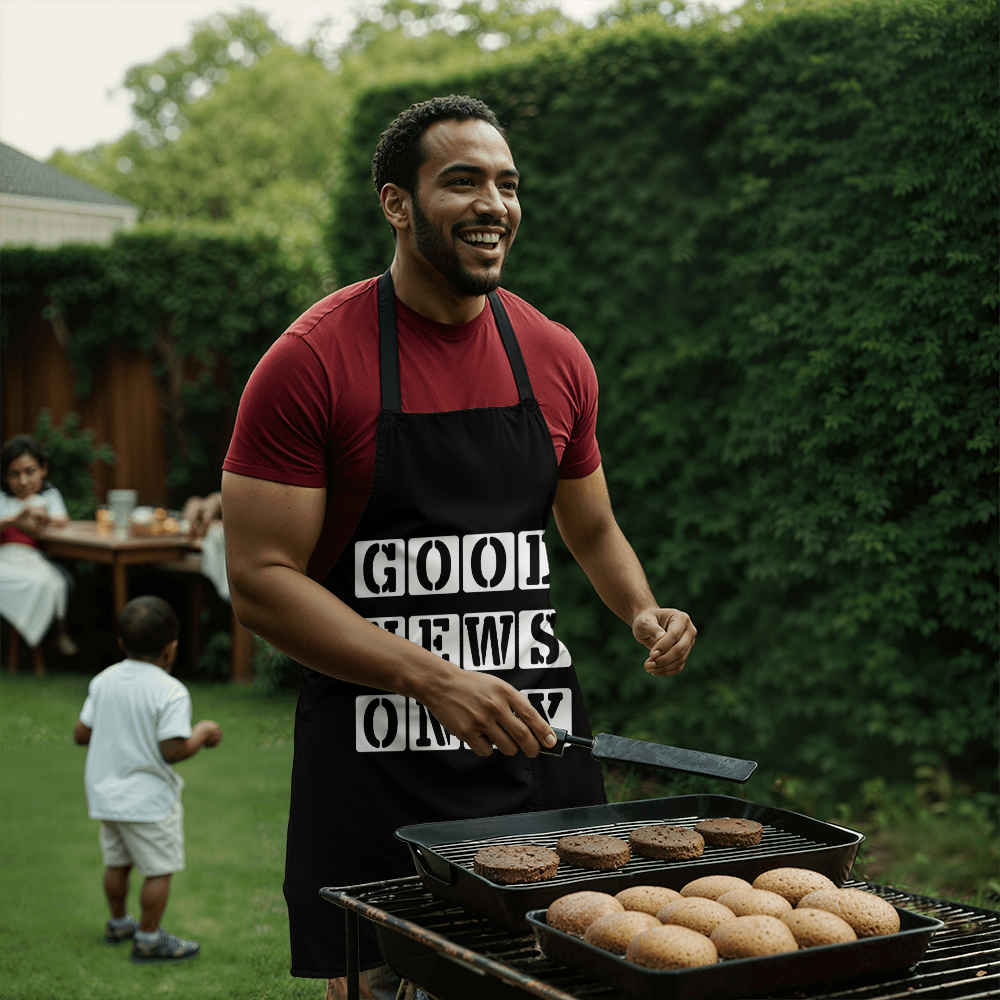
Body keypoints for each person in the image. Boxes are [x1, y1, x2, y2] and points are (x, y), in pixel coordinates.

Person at [221, 95, 697, 998]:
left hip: (534, 747)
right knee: (377, 983)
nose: (495, 204)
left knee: (562, 974)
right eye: (463, 181)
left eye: (508, 184)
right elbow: (261, 583)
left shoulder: (555, 355)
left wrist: (642, 608)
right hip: (378, 761)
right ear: (397, 203)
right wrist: (432, 678)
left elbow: (589, 524)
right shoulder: (312, 362)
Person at [73, 594, 223, 964]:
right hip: (148, 802)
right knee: (158, 869)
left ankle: (119, 922)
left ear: (122, 643)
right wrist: (202, 734)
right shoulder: (169, 690)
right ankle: (149, 938)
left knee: (117, 863)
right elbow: (171, 749)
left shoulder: (104, 680)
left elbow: (80, 733)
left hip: (106, 796)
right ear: (171, 648)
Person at [0, 434, 78, 674]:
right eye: (15, 474)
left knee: (50, 582)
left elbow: (63, 521)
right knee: (40, 583)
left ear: (43, 470)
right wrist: (17, 518)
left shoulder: (49, 497)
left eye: (30, 471)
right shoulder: (3, 499)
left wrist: (45, 520)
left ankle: (57, 631)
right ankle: (54, 632)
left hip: (34, 558)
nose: (23, 481)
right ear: (6, 476)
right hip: (6, 558)